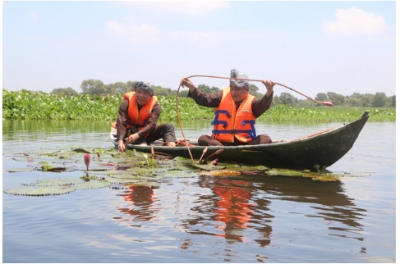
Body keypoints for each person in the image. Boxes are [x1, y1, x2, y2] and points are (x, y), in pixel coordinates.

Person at [180, 69, 275, 146]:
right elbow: (204, 99)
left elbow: (265, 104)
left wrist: (269, 90)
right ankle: (224, 151)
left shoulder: (253, 102)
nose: (233, 92)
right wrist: (191, 87)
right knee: (203, 139)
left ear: (247, 90)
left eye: (237, 89)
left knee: (265, 138)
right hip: (220, 143)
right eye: (232, 88)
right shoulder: (222, 96)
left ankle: (242, 151)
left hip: (245, 143)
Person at [116, 81, 176, 152]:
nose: (141, 95)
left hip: (146, 134)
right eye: (139, 92)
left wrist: (137, 135)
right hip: (129, 134)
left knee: (169, 127)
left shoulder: (156, 107)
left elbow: (151, 124)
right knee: (133, 130)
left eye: (145, 93)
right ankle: (142, 145)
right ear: (135, 92)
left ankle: (171, 147)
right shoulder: (126, 103)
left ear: (150, 96)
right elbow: (121, 122)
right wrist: (120, 141)